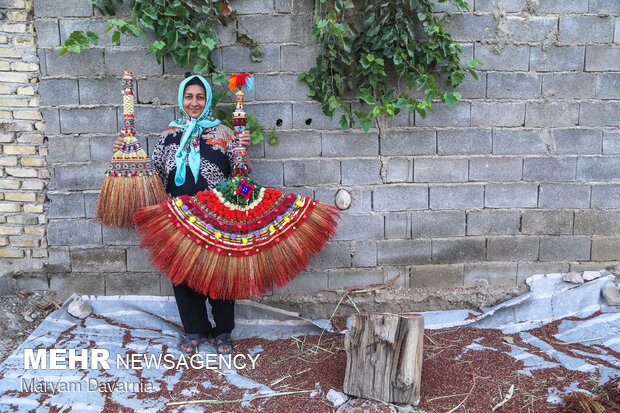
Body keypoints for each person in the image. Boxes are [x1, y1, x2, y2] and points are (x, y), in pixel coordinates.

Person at [113, 75, 251, 355]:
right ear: (181, 100)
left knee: (220, 272)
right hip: (178, 215)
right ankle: (195, 329)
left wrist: (243, 152)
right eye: (189, 96)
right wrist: (123, 154)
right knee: (183, 274)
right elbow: (153, 177)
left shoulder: (226, 134)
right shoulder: (168, 135)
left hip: (218, 215)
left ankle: (223, 330)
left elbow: (243, 177)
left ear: (208, 100)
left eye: (200, 97)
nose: (194, 102)